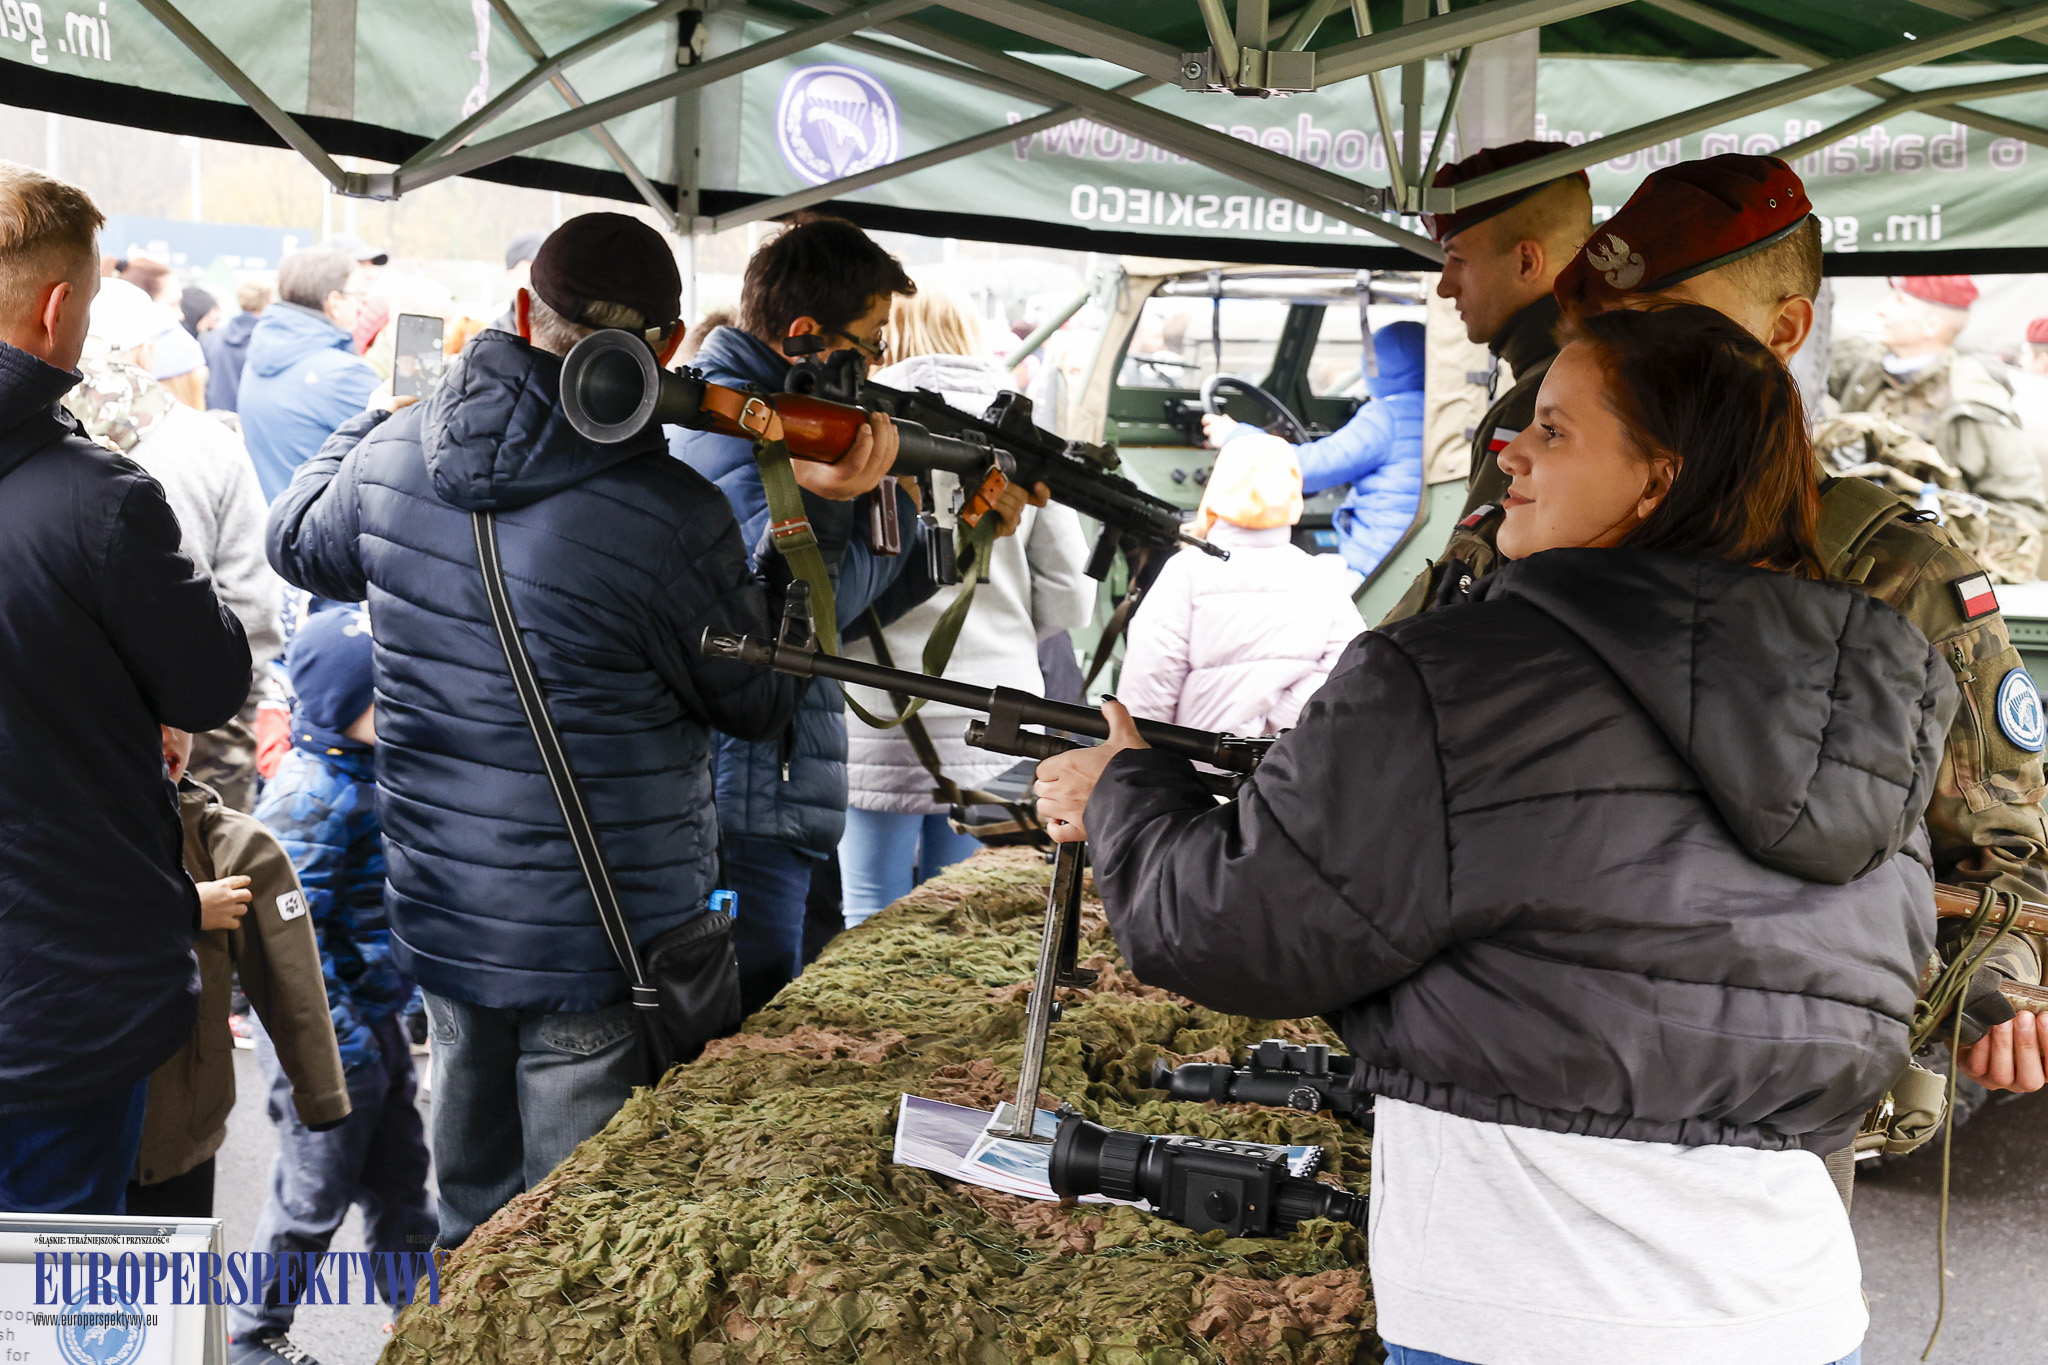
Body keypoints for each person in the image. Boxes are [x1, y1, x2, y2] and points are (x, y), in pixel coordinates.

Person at [1040, 305, 1943, 1365]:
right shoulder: (1864, 706)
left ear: (1656, 481)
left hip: (1518, 1307)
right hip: (1791, 1310)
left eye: (1554, 430)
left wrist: (1125, 792)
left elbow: (1232, 928)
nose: (1509, 450)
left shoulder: (1448, 672)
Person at [268, 213, 805, 1248]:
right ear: (666, 346)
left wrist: (387, 414)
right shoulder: (673, 510)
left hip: (445, 916)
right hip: (604, 935)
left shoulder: (390, 455)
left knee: (471, 1221)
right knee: (575, 1246)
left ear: (521, 311)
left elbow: (297, 541)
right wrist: (797, 534)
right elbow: (758, 702)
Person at [1527, 153, 2048, 1102]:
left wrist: (1991, 981)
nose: (1625, 362)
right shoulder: (1527, 526)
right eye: (1607, 329)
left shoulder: (1892, 574)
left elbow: (2004, 859)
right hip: (1521, 1066)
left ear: (1785, 330)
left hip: (1777, 1097)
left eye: (1667, 325)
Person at [669, 216, 1035, 1015]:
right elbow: (789, 622)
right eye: (869, 344)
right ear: (805, 335)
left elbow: (847, 602)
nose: (876, 364)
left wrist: (965, 534)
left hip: (771, 783)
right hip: (748, 790)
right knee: (748, 1017)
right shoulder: (731, 431)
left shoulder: (778, 416)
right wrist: (845, 498)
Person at [0, 160, 250, 1214]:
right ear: (60, 308)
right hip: (56, 1003)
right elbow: (209, 678)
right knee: (52, 1288)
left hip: (51, 980)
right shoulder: (98, 501)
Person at [837, 285, 1093, 926]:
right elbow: (1069, 596)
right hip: (995, 708)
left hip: (875, 704)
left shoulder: (859, 423)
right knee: (965, 912)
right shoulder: (1024, 436)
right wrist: (1006, 629)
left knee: (868, 908)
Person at [231, 607, 433, 1364]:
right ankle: (253, 1333)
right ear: (344, 700)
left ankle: (421, 1316)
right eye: (384, 691)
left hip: (369, 1021)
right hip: (318, 1038)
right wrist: (342, 1047)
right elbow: (287, 947)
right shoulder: (307, 796)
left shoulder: (369, 769)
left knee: (401, 1182)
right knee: (313, 1192)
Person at [69, 279, 284, 812]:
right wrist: (241, 698)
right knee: (207, 856)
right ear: (145, 352)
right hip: (203, 719)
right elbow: (252, 604)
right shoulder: (208, 444)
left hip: (66, 721)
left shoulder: (30, 433)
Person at [127, 726, 348, 1220]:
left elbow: (292, 983)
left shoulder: (231, 844)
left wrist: (322, 1094)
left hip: (182, 1131)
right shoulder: (47, 831)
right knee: (58, 1262)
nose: (168, 736)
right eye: (146, 717)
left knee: (175, 1267)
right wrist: (183, 910)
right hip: (66, 1122)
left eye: (179, 720)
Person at [1115, 432, 1361, 736]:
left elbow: (1151, 679)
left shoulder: (1186, 571)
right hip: (1284, 758)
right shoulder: (1321, 577)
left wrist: (1137, 751)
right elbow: (1351, 665)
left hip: (1193, 759)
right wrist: (1277, 725)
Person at [1427, 141, 1595, 521]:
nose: (1444, 287)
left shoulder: (1538, 406)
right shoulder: (1610, 369)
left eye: (1457, 260)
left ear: (1525, 262)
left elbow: (1471, 558)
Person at [1205, 320, 1426, 581]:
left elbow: (1305, 469)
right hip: (1413, 556)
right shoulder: (1439, 410)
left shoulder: (1386, 417)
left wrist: (1235, 436)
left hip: (1378, 568)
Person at [1832, 276, 2048, 536]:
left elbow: (2024, 513)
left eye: (1900, 302)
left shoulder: (1972, 404)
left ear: (1931, 326)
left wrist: (1943, 528)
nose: (1882, 309)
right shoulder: (1867, 366)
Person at [239, 246, 379, 501]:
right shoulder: (344, 374)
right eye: (359, 295)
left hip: (276, 513)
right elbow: (402, 457)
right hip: (321, 518)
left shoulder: (260, 356)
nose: (362, 304)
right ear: (335, 302)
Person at [203, 279, 270, 412]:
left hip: (216, 416)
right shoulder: (268, 341)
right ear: (268, 302)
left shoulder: (213, 338)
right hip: (251, 417)